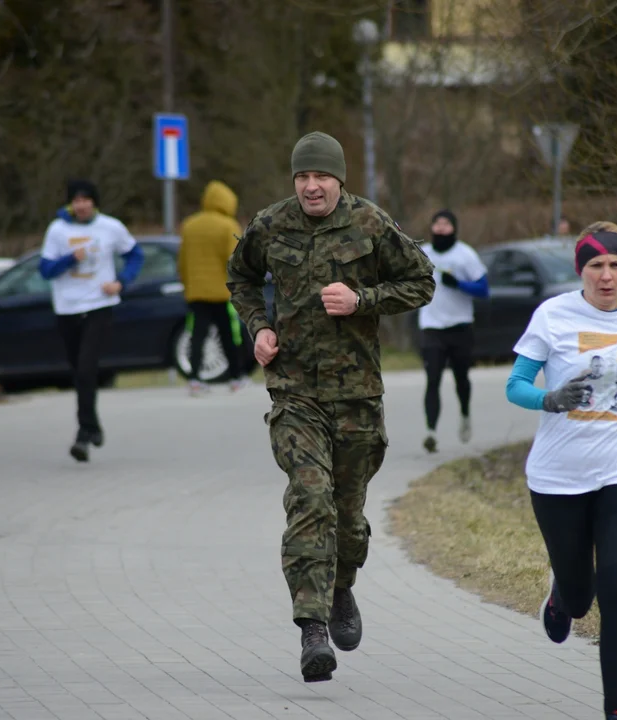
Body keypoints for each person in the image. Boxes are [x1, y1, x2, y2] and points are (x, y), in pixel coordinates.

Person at [227, 131, 435, 683]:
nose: (311, 186)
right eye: (302, 177)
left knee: (347, 519)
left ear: (340, 180)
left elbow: (421, 281)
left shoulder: (369, 223)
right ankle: (312, 630)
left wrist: (362, 300)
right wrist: (259, 327)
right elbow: (240, 277)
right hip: (294, 391)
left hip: (357, 397)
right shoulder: (271, 225)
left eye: (321, 177)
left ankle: (342, 588)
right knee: (310, 499)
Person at [505, 221, 617, 720]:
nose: (606, 277)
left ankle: (616, 712)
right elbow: (514, 384)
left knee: (616, 586)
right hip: (558, 475)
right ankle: (563, 592)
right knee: (583, 599)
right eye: (595, 266)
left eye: (616, 265)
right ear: (579, 269)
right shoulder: (554, 315)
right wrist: (550, 397)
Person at [39, 179, 144, 462]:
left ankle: (84, 434)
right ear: (70, 204)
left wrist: (121, 281)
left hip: (99, 305)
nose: (81, 204)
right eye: (76, 200)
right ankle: (93, 426)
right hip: (67, 308)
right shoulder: (58, 230)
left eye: (86, 199)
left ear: (94, 202)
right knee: (79, 372)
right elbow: (45, 270)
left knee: (86, 368)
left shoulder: (111, 227)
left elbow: (135, 255)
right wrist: (69, 259)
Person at [416, 209, 489, 453]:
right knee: (432, 379)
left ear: (454, 229)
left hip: (460, 326)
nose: (441, 227)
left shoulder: (465, 254)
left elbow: (484, 289)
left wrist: (459, 284)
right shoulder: (423, 253)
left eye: (446, 224)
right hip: (432, 326)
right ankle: (430, 432)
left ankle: (465, 414)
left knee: (461, 378)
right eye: (437, 223)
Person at [177, 179, 247, 396]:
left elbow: (182, 261)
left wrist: (187, 284)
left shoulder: (189, 225)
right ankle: (236, 377)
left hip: (196, 292)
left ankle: (195, 379)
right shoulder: (228, 226)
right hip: (222, 292)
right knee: (229, 334)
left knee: (197, 336)